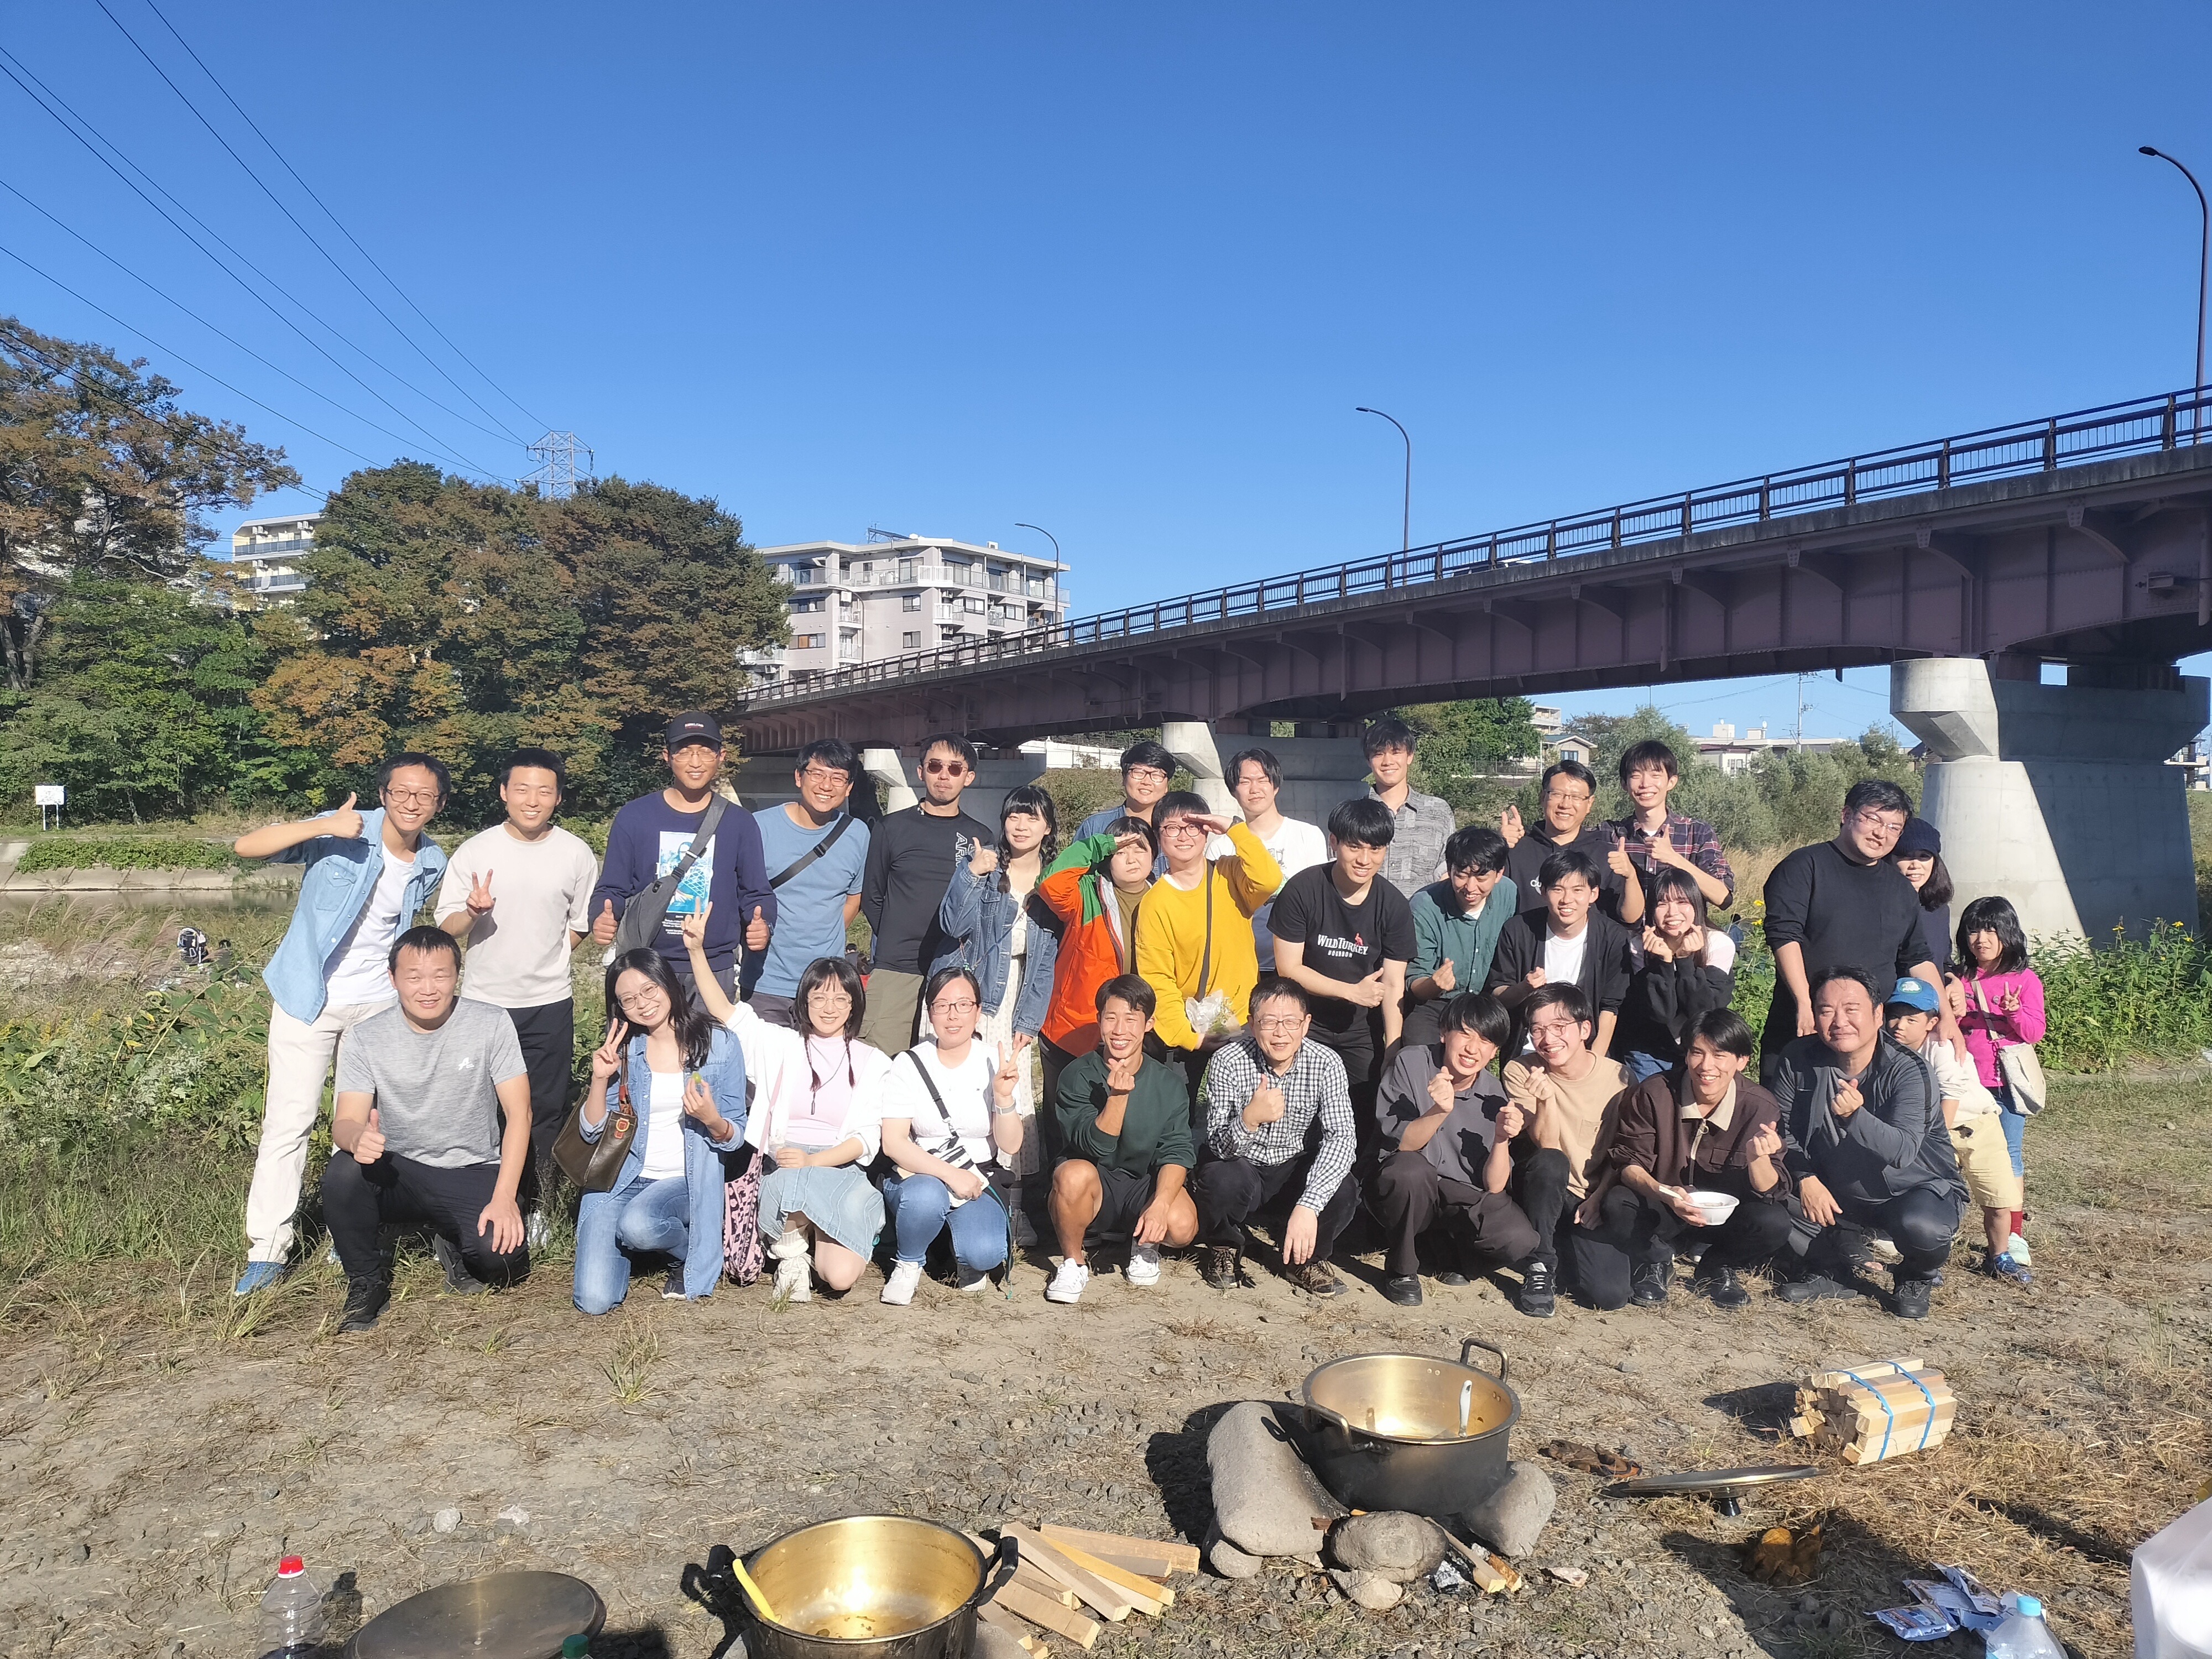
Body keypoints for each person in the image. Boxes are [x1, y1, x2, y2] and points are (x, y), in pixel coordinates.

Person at [232, 753, 453, 1295]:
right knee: (289, 1122)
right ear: (384, 794)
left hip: (376, 1007)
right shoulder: (342, 829)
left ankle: (346, 1232)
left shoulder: (433, 862)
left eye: (424, 795)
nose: (411, 803)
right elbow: (245, 848)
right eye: (402, 792)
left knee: (361, 1128)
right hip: (307, 998)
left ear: (439, 805)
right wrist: (324, 825)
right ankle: (267, 1249)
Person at [320, 926, 531, 1333]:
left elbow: (520, 1114)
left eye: (441, 975)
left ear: (458, 975)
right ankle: (366, 1280)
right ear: (393, 978)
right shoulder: (366, 1037)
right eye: (414, 977)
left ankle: (452, 1240)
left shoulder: (491, 1023)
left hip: (473, 1168)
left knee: (501, 1263)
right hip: (400, 1170)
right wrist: (356, 1139)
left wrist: (505, 1198)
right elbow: (346, 1120)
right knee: (343, 1171)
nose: (428, 988)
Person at [435, 748, 599, 1243]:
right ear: (504, 793)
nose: (533, 800)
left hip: (549, 1003)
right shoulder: (475, 851)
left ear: (558, 798)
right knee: (480, 1109)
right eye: (522, 789)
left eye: (544, 791)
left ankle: (540, 1207)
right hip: (484, 1004)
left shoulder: (575, 853)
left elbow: (580, 926)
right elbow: (448, 926)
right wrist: (473, 909)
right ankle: (477, 1205)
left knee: (545, 1109)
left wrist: (546, 960)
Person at [1768, 967, 1965, 1319]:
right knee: (1765, 1189)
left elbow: (1903, 1151)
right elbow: (1781, 1130)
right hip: (1833, 1188)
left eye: (1851, 1009)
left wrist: (1855, 1118)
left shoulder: (1908, 1070)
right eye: (1826, 1010)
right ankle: (1832, 1270)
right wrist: (1805, 1178)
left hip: (1910, 1190)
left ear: (1877, 1015)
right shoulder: (1798, 1058)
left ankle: (1916, 1274)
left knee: (1924, 1228)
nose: (1838, 1020)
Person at [1571, 1009, 1794, 1312]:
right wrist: (1665, 1192)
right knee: (1619, 1202)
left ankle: (1719, 1264)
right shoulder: (1654, 1093)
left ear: (1742, 1061)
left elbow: (1772, 1190)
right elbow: (1628, 1162)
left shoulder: (1760, 1107)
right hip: (1664, 1208)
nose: (1706, 1066)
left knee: (1774, 1222)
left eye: (1720, 1055)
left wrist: (1758, 1161)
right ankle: (1657, 1258)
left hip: (1724, 1217)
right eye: (1697, 1053)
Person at [572, 947, 748, 1313]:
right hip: (620, 1177)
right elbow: (591, 1133)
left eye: (649, 990)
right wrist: (599, 1080)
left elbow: (736, 1138)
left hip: (685, 1179)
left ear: (668, 982)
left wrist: (712, 1118)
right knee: (593, 1301)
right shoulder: (623, 1049)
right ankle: (647, 1241)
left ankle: (682, 1251)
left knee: (638, 1225)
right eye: (629, 999)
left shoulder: (720, 1043)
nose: (643, 1004)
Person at [712, 948, 890, 1303]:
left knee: (839, 1277)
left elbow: (865, 1138)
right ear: (804, 1001)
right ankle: (791, 1254)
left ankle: (815, 1232)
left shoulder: (873, 1062)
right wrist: (696, 950)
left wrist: (814, 1160)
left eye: (841, 998)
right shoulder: (783, 1045)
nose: (829, 1007)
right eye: (819, 997)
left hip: (837, 1167)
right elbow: (727, 1013)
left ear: (854, 1005)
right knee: (791, 1175)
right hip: (787, 1163)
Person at [1759, 778, 1952, 1082]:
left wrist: (1946, 1017)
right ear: (1846, 815)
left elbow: (1917, 958)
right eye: (1873, 819)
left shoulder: (1900, 889)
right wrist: (1804, 1002)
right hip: (1805, 1027)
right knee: (1789, 1125)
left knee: (1867, 1126)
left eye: (1893, 827)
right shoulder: (1804, 866)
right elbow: (1784, 936)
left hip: (1873, 1039)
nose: (1881, 833)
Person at [1370, 992, 1540, 1308]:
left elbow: (1495, 1185)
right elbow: (1404, 1145)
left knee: (1519, 1239)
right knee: (1410, 1170)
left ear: (1495, 1052)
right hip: (1407, 1184)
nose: (1472, 1049)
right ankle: (1402, 1269)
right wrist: (1439, 1110)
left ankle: (1447, 1251)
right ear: (1444, 1032)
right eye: (1465, 1034)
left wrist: (1502, 1138)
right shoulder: (1412, 1062)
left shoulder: (1494, 1093)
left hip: (1457, 1196)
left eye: (1485, 1041)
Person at [590, 711, 775, 1001]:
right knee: (645, 1048)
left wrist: (763, 925)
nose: (696, 762)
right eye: (685, 752)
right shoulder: (635, 817)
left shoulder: (739, 823)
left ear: (721, 756)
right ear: (667, 756)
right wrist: (600, 917)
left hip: (715, 968)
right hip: (646, 965)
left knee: (711, 1046)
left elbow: (756, 893)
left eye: (705, 751)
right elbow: (611, 888)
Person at [1190, 981, 1358, 1296]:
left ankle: (1306, 1259)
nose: (1280, 1033)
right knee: (1220, 1176)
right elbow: (1216, 1143)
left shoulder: (1327, 1063)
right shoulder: (1229, 1060)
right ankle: (1224, 1247)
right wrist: (1249, 1119)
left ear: (1306, 1024)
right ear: (1252, 1025)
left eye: (1291, 1022)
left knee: (1344, 1186)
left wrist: (1309, 1205)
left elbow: (1342, 1137)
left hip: (1294, 1167)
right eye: (1269, 1022)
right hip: (1244, 1164)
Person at [878, 966, 1027, 1303]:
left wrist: (1004, 1097)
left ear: (978, 1011)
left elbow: (1011, 1144)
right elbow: (894, 1142)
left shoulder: (994, 1061)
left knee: (986, 1254)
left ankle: (956, 1250)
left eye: (963, 1005)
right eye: (942, 1005)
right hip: (920, 1173)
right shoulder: (909, 1063)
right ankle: (909, 1262)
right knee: (927, 1196)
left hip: (978, 1177)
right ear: (930, 1013)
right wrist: (950, 1175)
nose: (953, 1015)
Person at [1047, 976, 1198, 1304]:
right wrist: (1116, 1097)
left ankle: (1144, 1243)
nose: (1119, 1030)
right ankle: (1073, 1262)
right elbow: (1096, 1146)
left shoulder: (1169, 1084)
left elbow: (1177, 1151)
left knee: (1183, 1225)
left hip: (1142, 1183)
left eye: (1131, 1019)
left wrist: (1159, 1205)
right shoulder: (1077, 1075)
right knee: (1072, 1176)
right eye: (1111, 1018)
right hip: (1094, 1181)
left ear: (1149, 1024)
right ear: (1099, 1020)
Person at [1269, 797, 1416, 1119]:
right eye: (1355, 847)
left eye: (1376, 850)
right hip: (1303, 1021)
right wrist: (1350, 991)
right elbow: (1288, 968)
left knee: (1361, 1111)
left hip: (1361, 1028)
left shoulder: (1393, 906)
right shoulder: (1303, 890)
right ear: (1334, 842)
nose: (1365, 860)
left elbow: (1393, 984)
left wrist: (1393, 1046)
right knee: (1296, 1111)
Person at [1136, 791, 1283, 1107]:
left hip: (1244, 1019)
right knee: (1178, 1115)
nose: (1183, 836)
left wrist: (1234, 828)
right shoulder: (1155, 903)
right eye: (1172, 828)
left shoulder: (1230, 874)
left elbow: (1270, 879)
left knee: (1246, 1112)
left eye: (1193, 827)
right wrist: (1190, 1038)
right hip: (1190, 1027)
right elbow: (1157, 978)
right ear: (1159, 836)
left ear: (1206, 831)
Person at [857, 732, 995, 1053]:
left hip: (953, 969)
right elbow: (872, 895)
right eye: (935, 766)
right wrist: (895, 936)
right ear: (920, 772)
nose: (943, 776)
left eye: (955, 769)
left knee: (944, 1068)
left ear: (969, 777)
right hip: (897, 967)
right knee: (880, 1063)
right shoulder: (890, 828)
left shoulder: (979, 835)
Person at [1885, 975, 2028, 1286]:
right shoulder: (1887, 1050)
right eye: (1894, 1016)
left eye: (1912, 1019)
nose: (1900, 1025)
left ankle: (1999, 1256)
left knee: (1999, 1199)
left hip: (1974, 1125)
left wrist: (1935, 1140)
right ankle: (1924, 1259)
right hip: (1930, 1130)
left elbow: (1951, 1090)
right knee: (1931, 1198)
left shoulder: (1940, 1046)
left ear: (1932, 1021)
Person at [1500, 984, 1631, 1318]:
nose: (1548, 1039)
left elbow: (1624, 1150)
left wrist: (1599, 1197)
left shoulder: (1619, 1077)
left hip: (1590, 1194)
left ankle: (1561, 1247)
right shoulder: (1520, 1070)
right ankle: (1540, 1266)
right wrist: (1545, 1099)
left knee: (1609, 1294)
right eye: (1538, 1030)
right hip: (1542, 1185)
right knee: (1550, 1162)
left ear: (1585, 1029)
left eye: (1559, 1027)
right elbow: (1547, 1146)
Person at [1033, 821, 1156, 1147]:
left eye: (1140, 848)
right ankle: (1058, 1188)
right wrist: (1100, 843)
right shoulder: (1089, 892)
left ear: (1154, 855)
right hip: (1076, 1028)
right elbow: (1050, 882)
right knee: (1065, 1121)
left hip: (1137, 1030)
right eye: (1121, 850)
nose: (1131, 858)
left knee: (1129, 1117)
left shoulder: (1166, 897)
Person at [745, 738, 870, 1029]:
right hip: (767, 982)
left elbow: (854, 897)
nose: (826, 785)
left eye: (838, 778)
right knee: (764, 1073)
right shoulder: (758, 827)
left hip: (827, 987)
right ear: (799, 776)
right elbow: (741, 894)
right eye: (817, 774)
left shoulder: (857, 833)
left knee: (821, 1072)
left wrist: (824, 932)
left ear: (849, 787)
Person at [1955, 895, 2044, 1268]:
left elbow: (2034, 1031)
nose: (1982, 938)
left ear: (2008, 933)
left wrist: (2014, 1012)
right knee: (1957, 1154)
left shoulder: (2024, 980)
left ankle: (2014, 1236)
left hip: (2005, 1083)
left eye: (1991, 929)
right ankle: (1945, 1224)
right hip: (1967, 1083)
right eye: (1974, 929)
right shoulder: (1959, 979)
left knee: (2009, 1157)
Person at [1485, 849, 1636, 1059]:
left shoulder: (1612, 937)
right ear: (1543, 891)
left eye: (1577, 890)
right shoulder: (1518, 930)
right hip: (1528, 1050)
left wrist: (1594, 1062)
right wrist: (1524, 988)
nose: (1567, 900)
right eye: (1558, 889)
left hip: (1584, 1052)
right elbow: (1498, 994)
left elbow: (1610, 1008)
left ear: (1593, 894)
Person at [1614, 865, 1738, 1081]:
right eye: (1662, 904)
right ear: (1651, 910)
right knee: (1651, 1109)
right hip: (1648, 1050)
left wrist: (1684, 961)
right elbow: (1661, 1012)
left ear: (1697, 906)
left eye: (1682, 902)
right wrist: (1662, 963)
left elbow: (1703, 1011)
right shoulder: (1638, 946)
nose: (1673, 913)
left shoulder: (1718, 944)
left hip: (1702, 1050)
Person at [1403, 826, 1516, 1051]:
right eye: (1461, 876)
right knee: (1418, 1056)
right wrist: (1434, 985)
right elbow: (1415, 983)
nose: (1470, 887)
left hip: (1485, 1003)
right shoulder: (1425, 905)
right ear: (1449, 869)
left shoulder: (1509, 894)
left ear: (1499, 874)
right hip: (1435, 1005)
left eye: (1481, 877)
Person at [1499, 759, 1645, 926]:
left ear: (1589, 804)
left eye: (1576, 797)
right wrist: (1497, 847)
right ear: (1543, 797)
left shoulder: (1607, 855)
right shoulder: (1517, 850)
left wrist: (1631, 876)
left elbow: (1631, 918)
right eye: (1557, 794)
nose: (1565, 805)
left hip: (1590, 951)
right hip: (1525, 950)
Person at [1227, 747, 1328, 976]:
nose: (1255, 789)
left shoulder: (1308, 836)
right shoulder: (1222, 846)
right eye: (1245, 782)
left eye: (1262, 779)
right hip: (1243, 968)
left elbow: (1321, 903)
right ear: (1234, 791)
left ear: (1276, 785)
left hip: (1302, 966)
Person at [1605, 739, 1735, 914]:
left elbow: (1723, 898)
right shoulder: (1611, 834)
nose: (1645, 784)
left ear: (1671, 782)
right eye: (1636, 775)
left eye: (1655, 775)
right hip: (1626, 939)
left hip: (1682, 938)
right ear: (1624, 784)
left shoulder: (1697, 832)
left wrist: (1674, 859)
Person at [1361, 716, 1456, 898]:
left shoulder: (1438, 812)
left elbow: (1451, 869)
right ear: (1368, 761)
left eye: (1396, 752)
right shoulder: (1355, 814)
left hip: (1421, 921)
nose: (1387, 761)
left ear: (1410, 756)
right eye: (1379, 754)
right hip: (1365, 923)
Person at [1074, 738, 1177, 873]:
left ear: (1166, 785)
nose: (1147, 781)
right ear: (1124, 777)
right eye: (1139, 773)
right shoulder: (1095, 827)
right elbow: (1072, 874)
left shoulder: (1177, 829)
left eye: (1157, 775)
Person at [1887, 817, 1954, 978]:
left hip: (1933, 1000)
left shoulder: (1939, 911)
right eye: (1906, 856)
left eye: (1924, 856)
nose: (1915, 865)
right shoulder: (1879, 909)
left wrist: (1953, 980)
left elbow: (1944, 962)